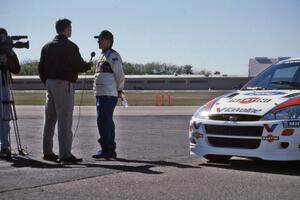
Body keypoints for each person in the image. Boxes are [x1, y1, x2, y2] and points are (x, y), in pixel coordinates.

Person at [38, 18, 92, 164]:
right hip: (63, 84)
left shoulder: (46, 46)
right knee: (65, 119)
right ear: (66, 29)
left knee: (49, 119)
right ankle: (65, 155)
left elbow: (41, 68)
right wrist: (87, 65)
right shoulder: (70, 46)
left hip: (49, 83)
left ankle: (47, 152)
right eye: (70, 28)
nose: (71, 30)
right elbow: (78, 65)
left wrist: (47, 82)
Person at [92, 30, 125, 159]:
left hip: (108, 94)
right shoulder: (101, 56)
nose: (98, 41)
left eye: (100, 39)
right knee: (103, 121)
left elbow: (119, 75)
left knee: (104, 121)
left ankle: (108, 149)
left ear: (108, 40)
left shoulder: (113, 55)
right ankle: (108, 148)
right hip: (100, 94)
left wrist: (119, 90)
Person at [0, 28, 21, 157]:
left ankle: (4, 145)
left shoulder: (10, 52)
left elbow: (17, 69)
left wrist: (9, 62)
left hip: (5, 82)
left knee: (5, 115)